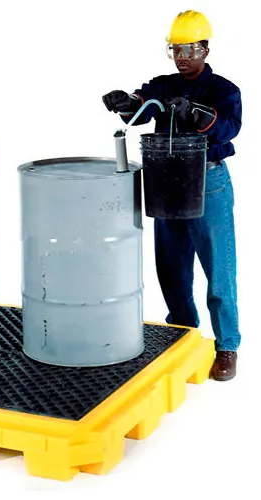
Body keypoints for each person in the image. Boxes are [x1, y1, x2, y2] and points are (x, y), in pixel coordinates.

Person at [101, 10, 242, 381]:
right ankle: (182, 337)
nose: (182, 57)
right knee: (172, 268)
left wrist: (196, 112)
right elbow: (143, 105)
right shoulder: (163, 85)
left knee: (219, 269)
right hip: (167, 181)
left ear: (206, 50)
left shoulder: (224, 91)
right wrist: (126, 102)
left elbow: (229, 128)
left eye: (189, 49)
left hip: (208, 182)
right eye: (176, 50)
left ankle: (227, 346)